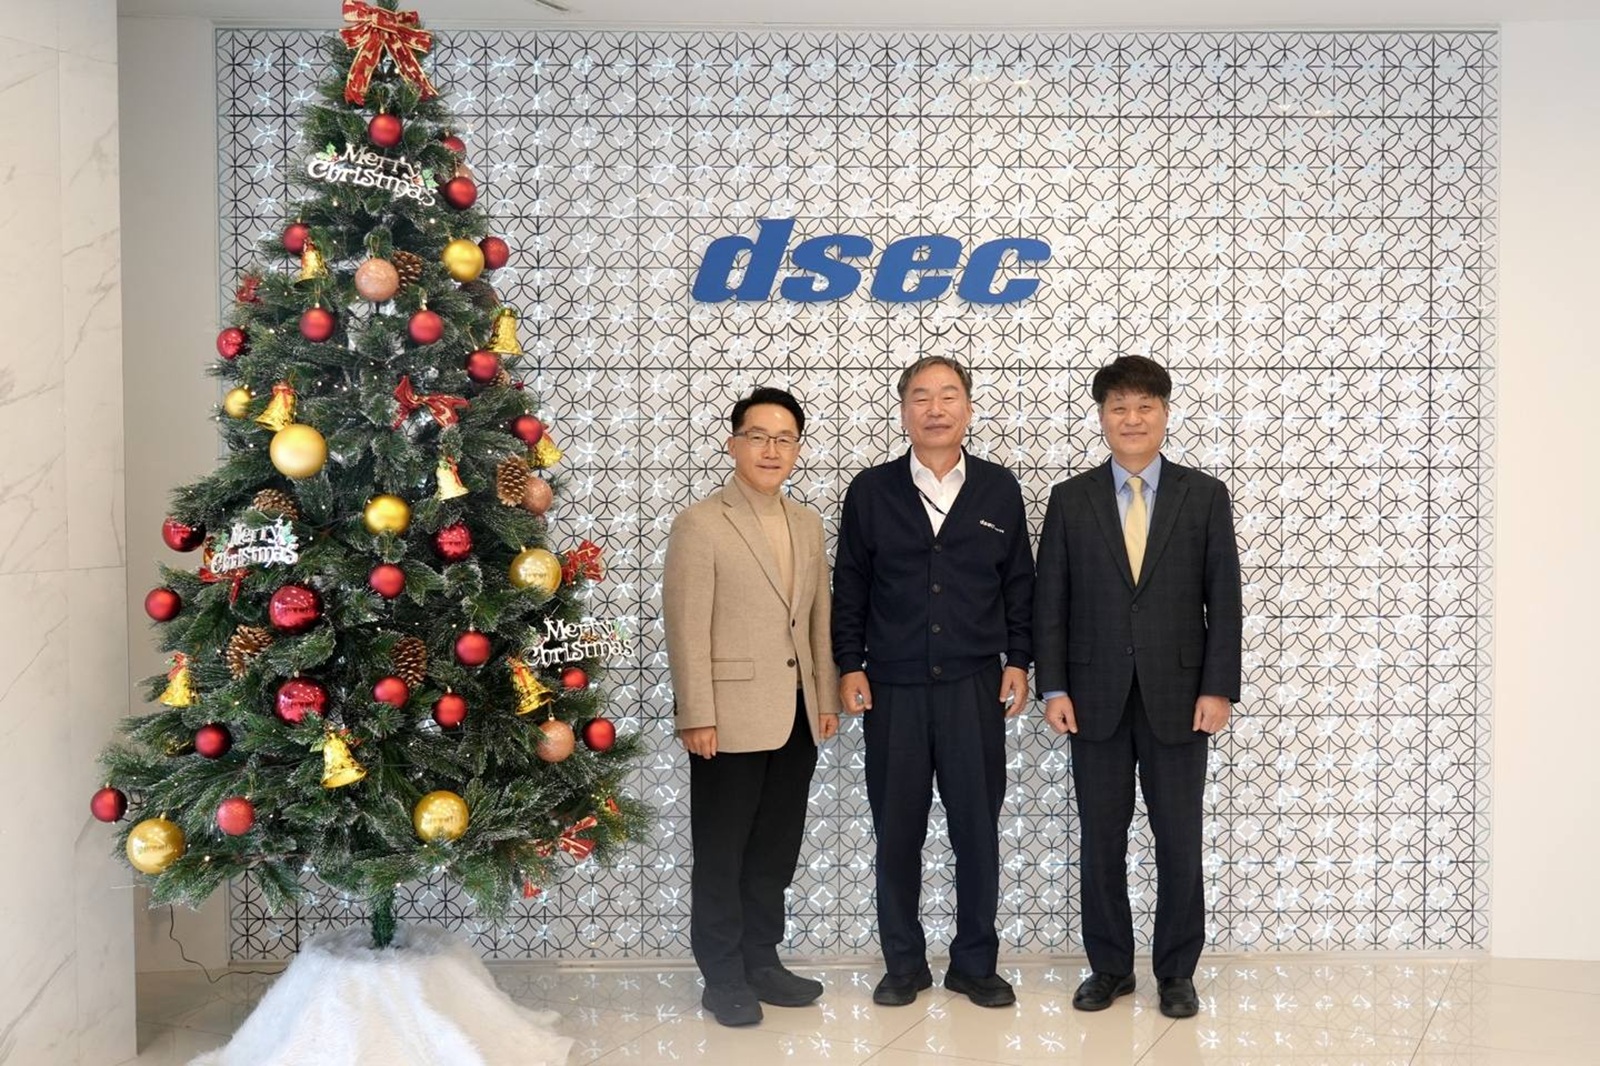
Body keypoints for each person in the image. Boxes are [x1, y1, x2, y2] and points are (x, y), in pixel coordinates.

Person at [1032, 355, 1242, 1020]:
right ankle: (1110, 968)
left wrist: (1218, 688)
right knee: (1102, 839)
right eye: (1118, 407)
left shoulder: (1203, 495)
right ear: (1102, 418)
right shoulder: (1070, 499)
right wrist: (1053, 687)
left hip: (1180, 697)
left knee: (1178, 839)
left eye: (1144, 406)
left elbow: (1224, 600)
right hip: (1092, 697)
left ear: (1165, 414)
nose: (1131, 418)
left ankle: (1176, 972)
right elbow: (1050, 602)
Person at [832, 356, 1035, 1009]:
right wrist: (849, 662)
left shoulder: (999, 488)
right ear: (904, 411)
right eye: (921, 397)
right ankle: (904, 963)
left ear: (968, 409)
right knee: (898, 832)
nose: (936, 408)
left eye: (949, 396)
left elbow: (1020, 584)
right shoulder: (871, 490)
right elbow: (850, 586)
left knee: (977, 830)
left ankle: (975, 963)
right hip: (892, 688)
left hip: (975, 686)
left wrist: (1018, 659)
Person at [663, 387, 840, 1028]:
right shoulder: (701, 523)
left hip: (796, 713)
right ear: (733, 443)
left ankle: (762, 961)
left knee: (774, 848)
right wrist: (696, 712)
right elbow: (686, 625)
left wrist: (824, 696)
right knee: (723, 850)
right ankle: (722, 975)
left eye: (784, 438)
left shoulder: (807, 523)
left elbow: (817, 619)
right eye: (758, 436)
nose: (771, 449)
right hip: (728, 716)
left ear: (797, 449)